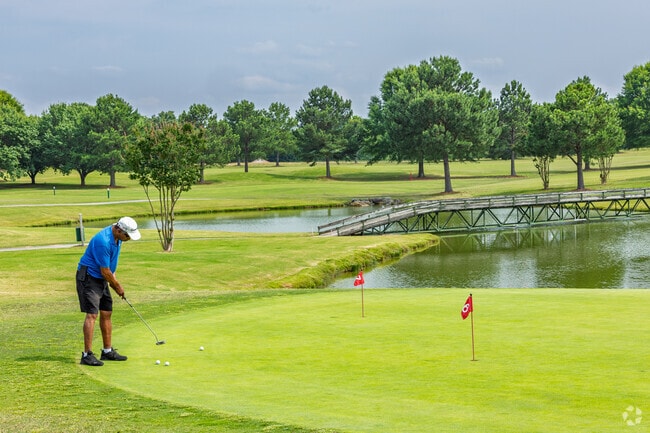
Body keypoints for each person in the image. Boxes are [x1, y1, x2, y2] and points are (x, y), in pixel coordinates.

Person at [76, 216, 141, 366]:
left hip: (102, 277)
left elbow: (110, 268)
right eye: (128, 235)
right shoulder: (103, 241)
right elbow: (104, 270)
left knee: (106, 312)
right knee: (92, 314)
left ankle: (107, 351)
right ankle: (87, 355)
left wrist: (114, 282)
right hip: (89, 277)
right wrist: (118, 287)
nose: (129, 239)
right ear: (119, 230)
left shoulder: (118, 239)